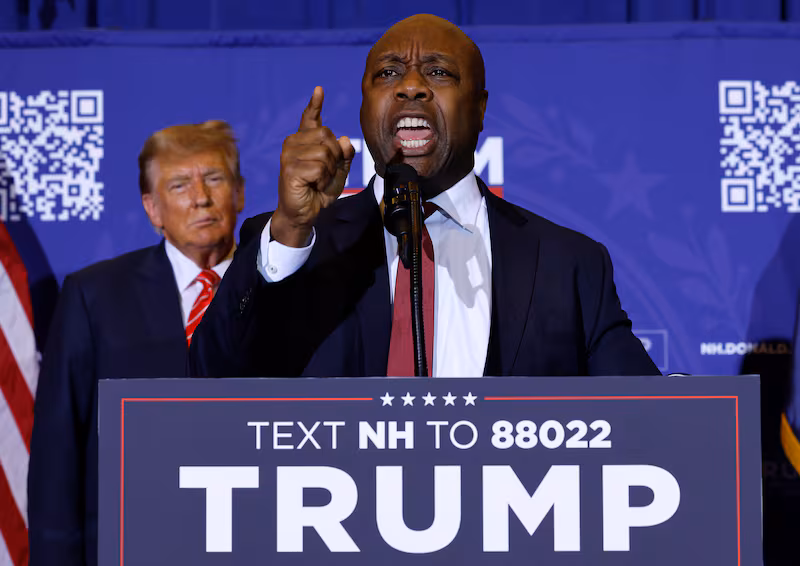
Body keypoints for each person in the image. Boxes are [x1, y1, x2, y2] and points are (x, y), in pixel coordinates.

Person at [189, 14, 659, 379]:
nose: (410, 86)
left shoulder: (569, 263)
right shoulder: (291, 243)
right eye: (388, 73)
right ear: (363, 106)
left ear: (479, 109)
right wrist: (291, 229)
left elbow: (649, 419)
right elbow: (207, 386)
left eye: (438, 72)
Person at [27, 120, 245, 566]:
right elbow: (58, 456)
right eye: (180, 185)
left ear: (239, 193)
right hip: (128, 549)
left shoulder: (278, 287)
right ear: (152, 209)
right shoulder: (95, 296)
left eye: (215, 179)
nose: (201, 197)